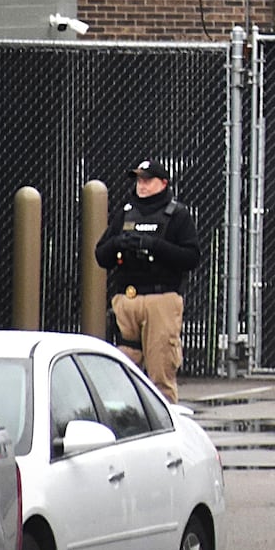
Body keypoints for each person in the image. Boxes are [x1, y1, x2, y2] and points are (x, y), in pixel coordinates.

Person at [94, 159, 201, 403]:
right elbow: (101, 255)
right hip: (127, 300)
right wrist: (119, 243)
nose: (141, 185)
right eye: (139, 180)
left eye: (148, 180)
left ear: (163, 183)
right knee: (122, 371)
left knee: (161, 371)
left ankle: (168, 423)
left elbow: (191, 257)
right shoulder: (126, 212)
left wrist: (154, 246)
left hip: (161, 300)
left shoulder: (177, 215)